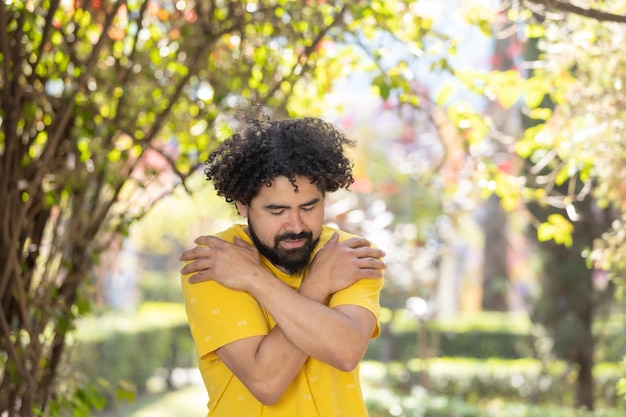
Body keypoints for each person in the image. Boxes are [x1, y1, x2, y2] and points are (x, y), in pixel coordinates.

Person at [179, 115, 386, 417]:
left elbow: (346, 351)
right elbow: (266, 381)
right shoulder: (216, 261)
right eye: (277, 210)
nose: (296, 225)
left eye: (309, 207)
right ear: (241, 203)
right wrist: (319, 283)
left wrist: (253, 279)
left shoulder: (347, 254)